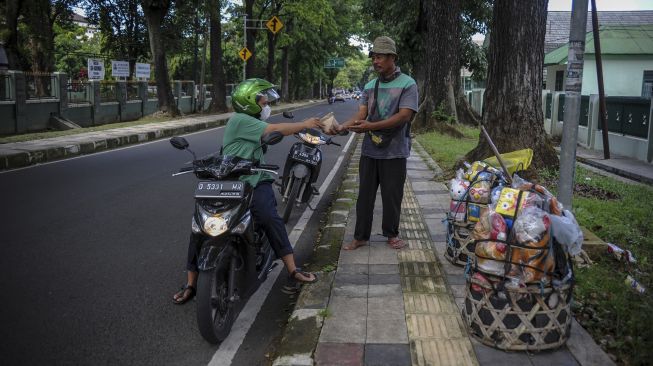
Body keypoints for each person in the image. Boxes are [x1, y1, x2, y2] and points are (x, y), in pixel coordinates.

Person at [173, 78, 320, 304]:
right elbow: (275, 129)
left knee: (269, 217)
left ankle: (292, 269)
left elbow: (273, 133)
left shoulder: (251, 122)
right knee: (200, 225)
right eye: (263, 100)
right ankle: (191, 283)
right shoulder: (240, 120)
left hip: (254, 181)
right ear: (250, 101)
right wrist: (305, 123)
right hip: (229, 182)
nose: (266, 103)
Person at [335, 36, 419, 251]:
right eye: (373, 57)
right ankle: (361, 236)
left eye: (380, 57)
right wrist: (343, 126)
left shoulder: (408, 84)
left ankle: (392, 234)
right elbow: (361, 114)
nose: (375, 61)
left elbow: (404, 116)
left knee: (392, 196)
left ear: (392, 58)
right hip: (370, 150)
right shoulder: (370, 85)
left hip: (395, 150)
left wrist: (370, 127)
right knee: (364, 196)